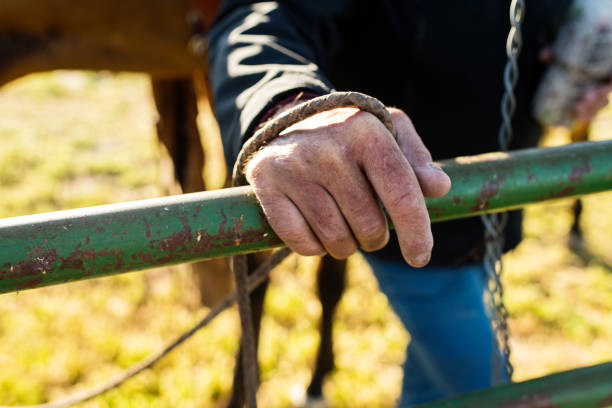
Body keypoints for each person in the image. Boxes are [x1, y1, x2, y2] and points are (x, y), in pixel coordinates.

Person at [206, 1, 610, 406]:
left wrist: (587, 47)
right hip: (403, 215)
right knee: (492, 390)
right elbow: (262, 19)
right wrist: (287, 107)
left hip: (494, 205)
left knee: (431, 386)